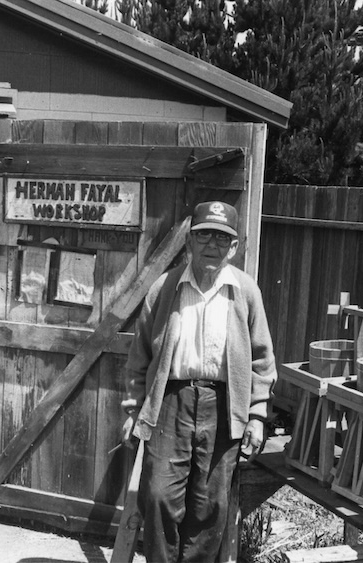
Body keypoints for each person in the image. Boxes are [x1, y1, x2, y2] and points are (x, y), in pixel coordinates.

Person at [122, 200, 277, 562]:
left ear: (234, 247)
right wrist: (133, 409)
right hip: (170, 404)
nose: (212, 244)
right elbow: (139, 357)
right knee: (158, 497)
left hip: (223, 407)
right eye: (204, 234)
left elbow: (262, 360)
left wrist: (256, 415)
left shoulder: (245, 292)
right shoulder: (165, 288)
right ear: (189, 240)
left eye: (222, 238)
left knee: (210, 506)